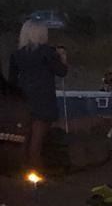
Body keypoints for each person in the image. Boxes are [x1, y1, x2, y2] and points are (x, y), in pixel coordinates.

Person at [7, 20, 68, 168]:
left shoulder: (16, 54)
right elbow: (62, 72)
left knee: (25, 139)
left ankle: (21, 170)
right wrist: (63, 57)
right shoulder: (48, 52)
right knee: (37, 141)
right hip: (43, 100)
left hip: (23, 100)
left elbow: (12, 81)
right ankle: (34, 171)